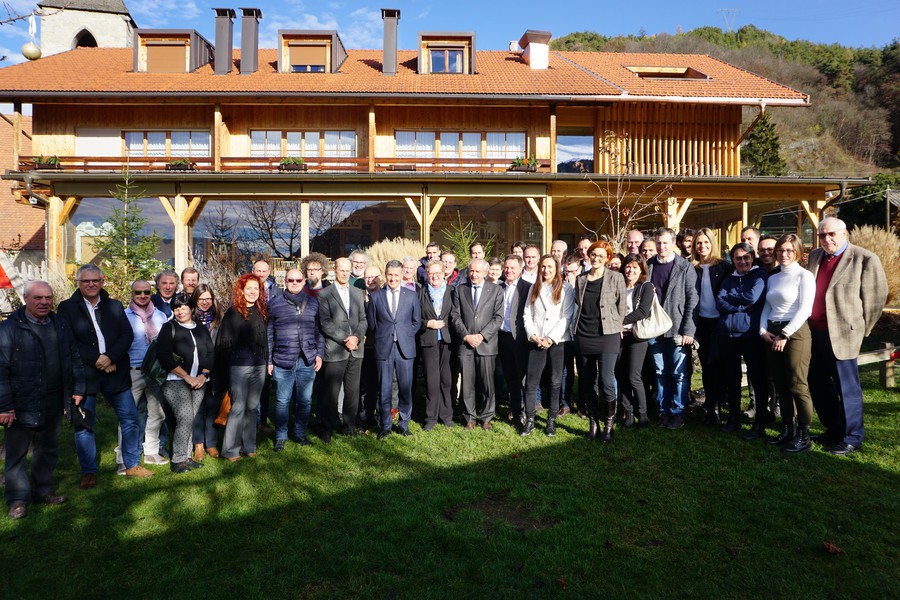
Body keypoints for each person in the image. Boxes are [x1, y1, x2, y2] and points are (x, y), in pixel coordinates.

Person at [58, 265, 153, 488]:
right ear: (78, 283)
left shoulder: (114, 305)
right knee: (84, 425)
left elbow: (126, 335)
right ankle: (88, 471)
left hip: (115, 371)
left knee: (129, 419)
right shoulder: (67, 308)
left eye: (95, 280)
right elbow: (68, 342)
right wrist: (98, 360)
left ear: (102, 281)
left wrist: (110, 357)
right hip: (85, 375)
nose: (91, 284)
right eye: (85, 281)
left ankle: (131, 465)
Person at [0, 281, 85, 520]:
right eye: (38, 298)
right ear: (26, 299)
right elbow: (0, 369)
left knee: (47, 449)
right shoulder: (9, 329)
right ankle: (17, 499)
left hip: (54, 399)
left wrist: (77, 389)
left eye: (48, 298)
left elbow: (73, 358)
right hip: (20, 402)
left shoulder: (60, 324)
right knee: (17, 454)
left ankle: (43, 491)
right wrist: (4, 406)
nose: (44, 302)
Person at [807, 217, 888, 455]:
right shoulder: (815, 256)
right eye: (822, 235)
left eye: (831, 234)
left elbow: (875, 300)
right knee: (818, 383)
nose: (826, 239)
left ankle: (852, 437)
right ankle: (834, 429)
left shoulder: (864, 259)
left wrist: (861, 330)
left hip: (843, 335)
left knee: (847, 388)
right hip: (816, 333)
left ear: (844, 233)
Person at [759, 234, 815, 453]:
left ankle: (804, 434)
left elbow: (805, 309)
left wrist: (785, 334)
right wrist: (763, 330)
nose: (784, 254)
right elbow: (767, 306)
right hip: (772, 332)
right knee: (780, 384)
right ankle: (787, 428)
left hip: (795, 332)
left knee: (797, 385)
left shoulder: (804, 276)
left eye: (789, 250)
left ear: (798, 252)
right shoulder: (773, 277)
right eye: (781, 250)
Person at [572, 241, 627, 442]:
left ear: (607, 258)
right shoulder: (580, 279)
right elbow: (579, 304)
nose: (596, 259)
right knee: (586, 382)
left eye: (601, 256)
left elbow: (622, 307)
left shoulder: (616, 278)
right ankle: (593, 423)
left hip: (608, 335)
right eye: (593, 254)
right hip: (583, 335)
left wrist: (617, 327)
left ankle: (609, 425)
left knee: (606, 381)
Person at [267, 267, 325, 451]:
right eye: (291, 280)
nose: (294, 283)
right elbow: (269, 334)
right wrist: (269, 360)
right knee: (282, 400)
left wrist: (319, 354)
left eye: (298, 280)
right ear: (285, 281)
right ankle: (281, 436)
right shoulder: (275, 304)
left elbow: (319, 332)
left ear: (304, 281)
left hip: (306, 359)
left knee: (305, 400)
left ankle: (300, 433)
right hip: (282, 359)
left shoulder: (313, 303)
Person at [646, 228, 698, 430]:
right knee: (660, 372)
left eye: (666, 243)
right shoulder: (649, 265)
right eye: (659, 243)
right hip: (654, 328)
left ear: (674, 243)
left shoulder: (684, 267)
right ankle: (663, 411)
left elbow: (692, 299)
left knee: (678, 373)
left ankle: (677, 412)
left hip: (677, 327)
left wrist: (688, 330)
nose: (662, 246)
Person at [214, 273, 269, 462]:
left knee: (253, 407)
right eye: (249, 288)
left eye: (256, 288)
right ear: (242, 291)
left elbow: (265, 341)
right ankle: (230, 450)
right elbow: (223, 343)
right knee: (238, 406)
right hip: (239, 366)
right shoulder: (233, 312)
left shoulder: (262, 311)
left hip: (259, 365)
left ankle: (249, 446)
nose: (253, 292)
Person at [157, 293, 213, 473]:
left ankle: (187, 456)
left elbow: (210, 354)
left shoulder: (201, 329)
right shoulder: (169, 327)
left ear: (191, 307)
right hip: (175, 381)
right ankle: (178, 459)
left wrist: (203, 375)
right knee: (185, 417)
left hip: (200, 381)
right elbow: (164, 357)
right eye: (176, 308)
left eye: (183, 306)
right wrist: (187, 377)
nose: (179, 311)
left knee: (191, 418)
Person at [716, 243, 768, 436]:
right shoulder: (729, 278)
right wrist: (739, 305)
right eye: (738, 258)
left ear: (752, 257)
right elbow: (719, 301)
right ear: (733, 260)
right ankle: (733, 418)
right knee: (732, 378)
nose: (742, 261)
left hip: (750, 335)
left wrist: (732, 299)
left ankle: (760, 421)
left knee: (757, 378)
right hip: (728, 335)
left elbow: (753, 297)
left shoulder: (759, 275)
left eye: (746, 257)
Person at [367, 260, 421, 439]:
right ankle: (385, 425)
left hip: (405, 348)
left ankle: (404, 424)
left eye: (396, 275)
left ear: (402, 275)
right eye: (390, 274)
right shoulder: (376, 297)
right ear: (385, 274)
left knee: (405, 388)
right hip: (384, 348)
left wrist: (404, 335)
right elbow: (373, 325)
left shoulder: (411, 295)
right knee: (384, 388)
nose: (393, 278)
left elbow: (416, 322)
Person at [521, 254, 574, 436]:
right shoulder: (534, 287)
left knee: (554, 381)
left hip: (557, 341)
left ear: (557, 268)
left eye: (550, 267)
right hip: (536, 340)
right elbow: (527, 314)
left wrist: (550, 338)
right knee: (531, 382)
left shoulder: (566, 288)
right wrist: (534, 335)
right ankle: (529, 419)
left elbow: (567, 316)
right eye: (543, 266)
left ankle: (551, 420)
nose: (546, 270)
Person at [450, 258, 504, 430]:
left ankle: (487, 417)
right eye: (471, 271)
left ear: (486, 273)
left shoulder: (496, 290)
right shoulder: (460, 290)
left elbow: (498, 318)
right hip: (465, 344)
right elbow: (455, 316)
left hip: (486, 345)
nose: (474, 274)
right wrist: (466, 336)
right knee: (467, 384)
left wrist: (481, 336)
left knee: (488, 383)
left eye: (478, 271)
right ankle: (469, 417)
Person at [318, 257, 368, 441]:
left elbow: (363, 319)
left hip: (356, 350)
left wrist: (356, 337)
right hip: (336, 350)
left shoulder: (357, 293)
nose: (345, 273)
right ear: (334, 270)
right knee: (331, 392)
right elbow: (325, 323)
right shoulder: (325, 294)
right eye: (342, 270)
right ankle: (327, 427)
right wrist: (345, 339)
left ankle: (348, 425)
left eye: (348, 270)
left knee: (352, 391)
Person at [123, 279, 169, 466]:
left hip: (155, 373)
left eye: (146, 292)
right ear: (132, 294)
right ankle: (123, 456)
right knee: (128, 416)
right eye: (138, 293)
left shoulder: (160, 316)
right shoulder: (124, 316)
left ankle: (151, 452)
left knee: (157, 413)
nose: (142, 296)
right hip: (132, 371)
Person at [692, 227, 732, 425]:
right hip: (702, 323)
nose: (702, 246)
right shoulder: (693, 268)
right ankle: (711, 406)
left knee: (721, 365)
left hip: (721, 322)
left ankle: (721, 403)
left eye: (706, 242)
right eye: (699, 243)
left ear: (712, 244)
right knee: (707, 366)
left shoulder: (725, 266)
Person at [616, 254, 654, 428]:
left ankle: (643, 414)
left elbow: (643, 311)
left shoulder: (646, 287)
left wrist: (618, 321)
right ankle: (628, 414)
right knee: (621, 375)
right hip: (618, 336)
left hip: (637, 336)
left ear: (641, 270)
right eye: (628, 267)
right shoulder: (619, 285)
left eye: (635, 267)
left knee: (634, 376)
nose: (630, 270)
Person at [418, 259, 454, 430]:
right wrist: (427, 324)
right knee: (432, 381)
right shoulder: (420, 293)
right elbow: (414, 318)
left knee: (446, 380)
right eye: (431, 273)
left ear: (443, 274)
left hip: (448, 341)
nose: (434, 276)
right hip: (429, 340)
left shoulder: (452, 292)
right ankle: (431, 418)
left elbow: (456, 315)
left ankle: (446, 416)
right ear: (426, 274)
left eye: (437, 273)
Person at [498, 254, 532, 424]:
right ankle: (514, 409)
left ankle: (526, 412)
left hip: (520, 339)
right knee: (510, 376)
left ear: (520, 269)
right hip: (502, 337)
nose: (508, 270)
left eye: (512, 268)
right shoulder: (498, 287)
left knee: (522, 378)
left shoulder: (528, 287)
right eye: (507, 267)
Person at [190, 284, 223, 459]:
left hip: (216, 370)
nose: (205, 302)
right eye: (201, 299)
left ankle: (211, 443)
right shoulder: (189, 318)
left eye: (208, 299)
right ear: (195, 300)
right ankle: (198, 445)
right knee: (197, 408)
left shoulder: (219, 317)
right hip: (196, 370)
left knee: (212, 408)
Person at [358, 265, 383, 429]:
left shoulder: (385, 296)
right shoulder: (357, 296)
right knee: (362, 385)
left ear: (380, 278)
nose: (370, 280)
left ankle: (376, 416)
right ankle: (361, 417)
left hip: (380, 347)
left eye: (374, 277)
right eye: (367, 277)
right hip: (362, 347)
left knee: (378, 384)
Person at [560, 254, 585, 415]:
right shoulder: (562, 286)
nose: (569, 275)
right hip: (565, 334)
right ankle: (565, 403)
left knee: (584, 371)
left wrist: (576, 288)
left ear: (580, 269)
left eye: (573, 271)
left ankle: (583, 405)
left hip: (582, 334)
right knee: (565, 370)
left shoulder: (586, 284)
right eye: (566, 272)